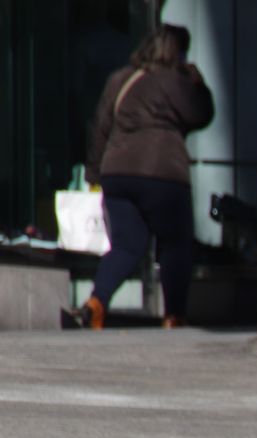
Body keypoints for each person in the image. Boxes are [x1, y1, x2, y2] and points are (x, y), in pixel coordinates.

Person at [68, 23, 214, 330]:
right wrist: (197, 82)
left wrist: (95, 173)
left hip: (118, 174)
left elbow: (100, 128)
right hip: (163, 174)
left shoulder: (120, 79)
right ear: (178, 53)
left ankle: (96, 303)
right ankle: (174, 315)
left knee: (125, 246)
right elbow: (201, 113)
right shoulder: (174, 82)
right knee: (175, 244)